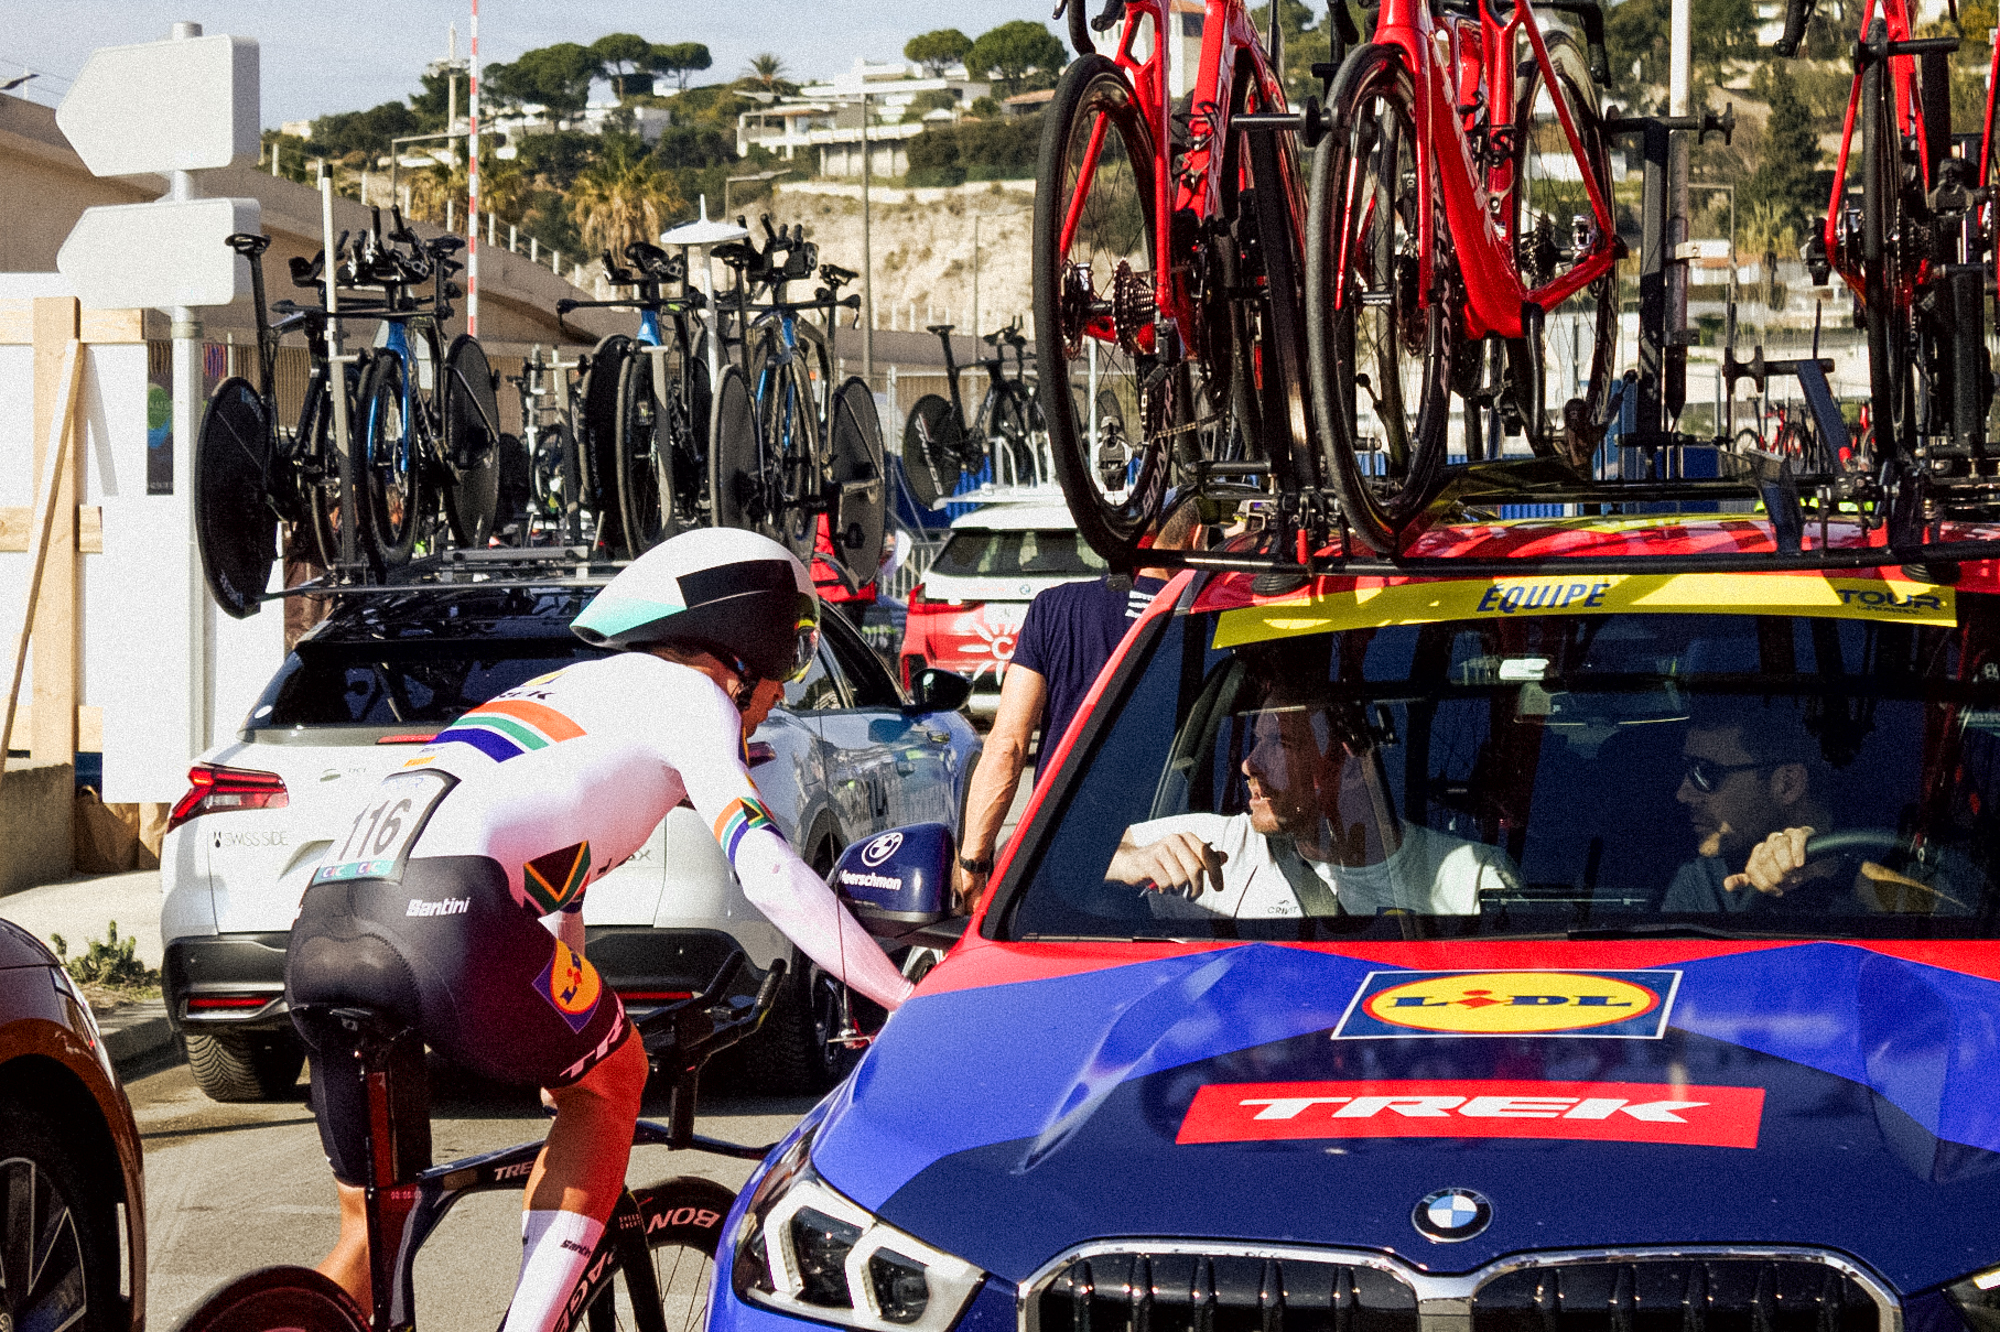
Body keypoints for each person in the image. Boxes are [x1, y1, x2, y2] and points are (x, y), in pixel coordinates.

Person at [284, 529, 914, 1332]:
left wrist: (565, 1045)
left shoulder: (567, 694)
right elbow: (767, 870)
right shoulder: (693, 698)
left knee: (375, 1234)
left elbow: (556, 897)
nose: (780, 695)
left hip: (324, 924)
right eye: (790, 657)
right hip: (446, 914)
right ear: (744, 644)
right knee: (618, 1077)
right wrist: (903, 998)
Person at [952, 495, 1204, 906]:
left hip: (1061, 870)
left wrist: (973, 863)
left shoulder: (1054, 608)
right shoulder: (1206, 622)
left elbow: (1007, 747)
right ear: (1196, 538)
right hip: (1177, 874)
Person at [1106, 683, 1521, 918]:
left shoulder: (1474, 879)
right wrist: (1132, 861)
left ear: (1351, 766)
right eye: (1257, 742)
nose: (1249, 764)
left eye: (1280, 744)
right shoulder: (1222, 845)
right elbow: (1081, 857)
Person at [1662, 698, 1842, 911]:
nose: (1682, 795)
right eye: (1686, 769)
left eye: (1704, 773)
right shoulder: (1700, 884)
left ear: (1787, 784)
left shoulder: (1872, 863)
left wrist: (1828, 872)